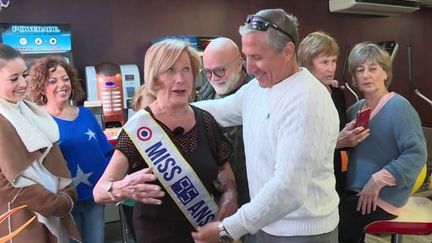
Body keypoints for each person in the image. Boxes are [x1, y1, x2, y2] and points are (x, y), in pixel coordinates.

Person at [192, 8, 339, 243]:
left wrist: (228, 229)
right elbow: (220, 110)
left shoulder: (308, 99)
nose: (249, 68)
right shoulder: (258, 88)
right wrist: (171, 109)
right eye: (246, 56)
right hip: (267, 226)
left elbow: (287, 189)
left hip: (304, 233)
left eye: (257, 57)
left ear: (287, 51)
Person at [93, 38, 238, 243]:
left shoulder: (205, 120)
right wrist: (120, 187)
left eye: (186, 69)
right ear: (154, 78)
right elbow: (99, 192)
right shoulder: (138, 129)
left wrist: (230, 194)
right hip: (157, 236)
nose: (180, 78)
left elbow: (225, 171)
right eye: (170, 70)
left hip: (205, 235)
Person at [337, 42, 427, 243]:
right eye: (360, 70)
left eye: (373, 68)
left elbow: (417, 153)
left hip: (382, 196)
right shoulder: (355, 111)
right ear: (354, 78)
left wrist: (377, 181)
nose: (366, 75)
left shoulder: (400, 107)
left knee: (335, 228)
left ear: (385, 73)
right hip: (355, 191)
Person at [26, 56, 113, 243]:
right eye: (53, 81)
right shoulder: (38, 122)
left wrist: (111, 184)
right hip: (63, 201)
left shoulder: (86, 115)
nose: (62, 84)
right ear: (41, 86)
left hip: (94, 197)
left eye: (65, 78)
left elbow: (106, 152)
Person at [0, 44, 80, 242]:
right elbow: (5, 182)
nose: (22, 83)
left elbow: (54, 159)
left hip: (52, 209)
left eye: (24, 75)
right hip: (19, 218)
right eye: (13, 78)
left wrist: (66, 194)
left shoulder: (32, 112)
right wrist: (52, 202)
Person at [298, 31, 352, 196]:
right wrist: (336, 142)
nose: (331, 68)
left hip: (338, 168)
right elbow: (301, 146)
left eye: (333, 61)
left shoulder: (337, 92)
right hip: (312, 178)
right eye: (324, 62)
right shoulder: (301, 96)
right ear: (308, 64)